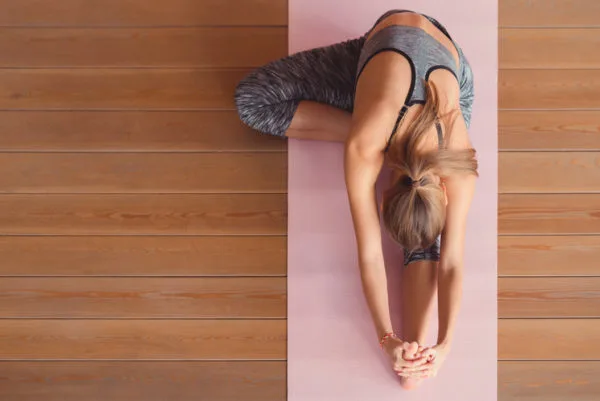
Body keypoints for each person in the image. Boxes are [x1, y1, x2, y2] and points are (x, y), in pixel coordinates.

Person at [234, 9, 478, 390]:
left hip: (445, 76)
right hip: (378, 55)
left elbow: (452, 263)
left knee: (421, 229)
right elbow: (369, 254)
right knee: (253, 102)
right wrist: (386, 339)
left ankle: (416, 361)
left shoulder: (459, 160)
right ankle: (388, 135)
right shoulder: (363, 149)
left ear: (443, 191)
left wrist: (442, 346)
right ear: (381, 200)